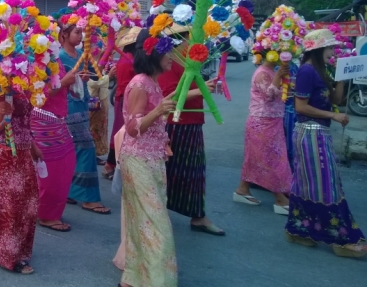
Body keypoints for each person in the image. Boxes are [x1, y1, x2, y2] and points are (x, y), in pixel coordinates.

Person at [285, 29, 366, 257]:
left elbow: (335, 100)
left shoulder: (320, 70)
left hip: (318, 133)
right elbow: (300, 107)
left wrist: (341, 75)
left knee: (309, 183)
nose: (333, 52)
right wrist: (334, 116)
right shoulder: (307, 71)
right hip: (309, 132)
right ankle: (339, 238)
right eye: (330, 48)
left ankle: (298, 230)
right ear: (319, 49)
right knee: (326, 185)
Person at [118, 30, 178, 287]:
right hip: (139, 160)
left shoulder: (151, 82)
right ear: (153, 54)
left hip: (151, 160)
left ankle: (133, 278)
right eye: (167, 53)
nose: (172, 58)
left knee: (143, 223)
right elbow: (132, 127)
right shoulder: (141, 83)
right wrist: (158, 111)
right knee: (156, 224)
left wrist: (195, 94)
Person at [160, 24, 223, 236]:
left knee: (194, 172)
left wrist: (206, 85)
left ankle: (197, 214)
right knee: (172, 171)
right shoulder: (169, 61)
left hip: (192, 121)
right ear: (182, 39)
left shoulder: (188, 63)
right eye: (194, 39)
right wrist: (200, 90)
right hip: (177, 123)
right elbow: (169, 95)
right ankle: (163, 211)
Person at [0, 92, 42, 274]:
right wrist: (2, 113)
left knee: (28, 203)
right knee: (10, 206)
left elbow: (25, 121)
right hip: (5, 152)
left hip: (23, 151)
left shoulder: (24, 84)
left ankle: (21, 251)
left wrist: (33, 147)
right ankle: (7, 256)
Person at [59, 22, 110, 214]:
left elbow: (94, 75)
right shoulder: (59, 57)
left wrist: (86, 77)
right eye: (77, 32)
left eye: (82, 32)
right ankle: (89, 198)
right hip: (69, 107)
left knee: (75, 150)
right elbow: (55, 85)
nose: (81, 36)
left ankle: (71, 190)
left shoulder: (81, 56)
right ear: (64, 34)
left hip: (82, 104)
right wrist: (72, 79)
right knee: (87, 149)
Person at [233, 60, 292, 214]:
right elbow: (269, 96)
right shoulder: (262, 73)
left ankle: (242, 189)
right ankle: (279, 198)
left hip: (272, 121)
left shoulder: (271, 71)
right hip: (262, 122)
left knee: (255, 158)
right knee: (270, 159)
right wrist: (279, 75)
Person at [30, 58, 78, 232]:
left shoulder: (55, 58)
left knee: (66, 164)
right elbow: (36, 97)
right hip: (42, 119)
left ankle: (49, 209)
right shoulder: (33, 61)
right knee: (51, 170)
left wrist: (75, 82)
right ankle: (46, 214)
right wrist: (64, 82)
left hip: (57, 120)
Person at [103, 27, 141, 180]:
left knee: (121, 133)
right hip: (125, 99)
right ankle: (109, 165)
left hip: (124, 98)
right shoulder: (129, 60)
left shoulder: (127, 58)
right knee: (120, 133)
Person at [283, 63, 299, 170]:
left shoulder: (292, 67)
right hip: (285, 108)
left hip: (289, 108)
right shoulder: (278, 66)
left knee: (289, 142)